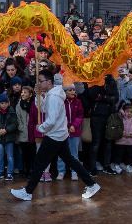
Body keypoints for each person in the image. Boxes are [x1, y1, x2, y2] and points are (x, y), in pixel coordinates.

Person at [11, 70, 100, 203]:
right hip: (60, 134)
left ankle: (28, 192)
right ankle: (92, 184)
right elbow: (43, 109)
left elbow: (51, 120)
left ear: (49, 82)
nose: (39, 83)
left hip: (54, 136)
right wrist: (38, 95)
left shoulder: (53, 97)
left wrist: (40, 127)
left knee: (39, 163)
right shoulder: (53, 94)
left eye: (41, 81)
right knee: (71, 160)